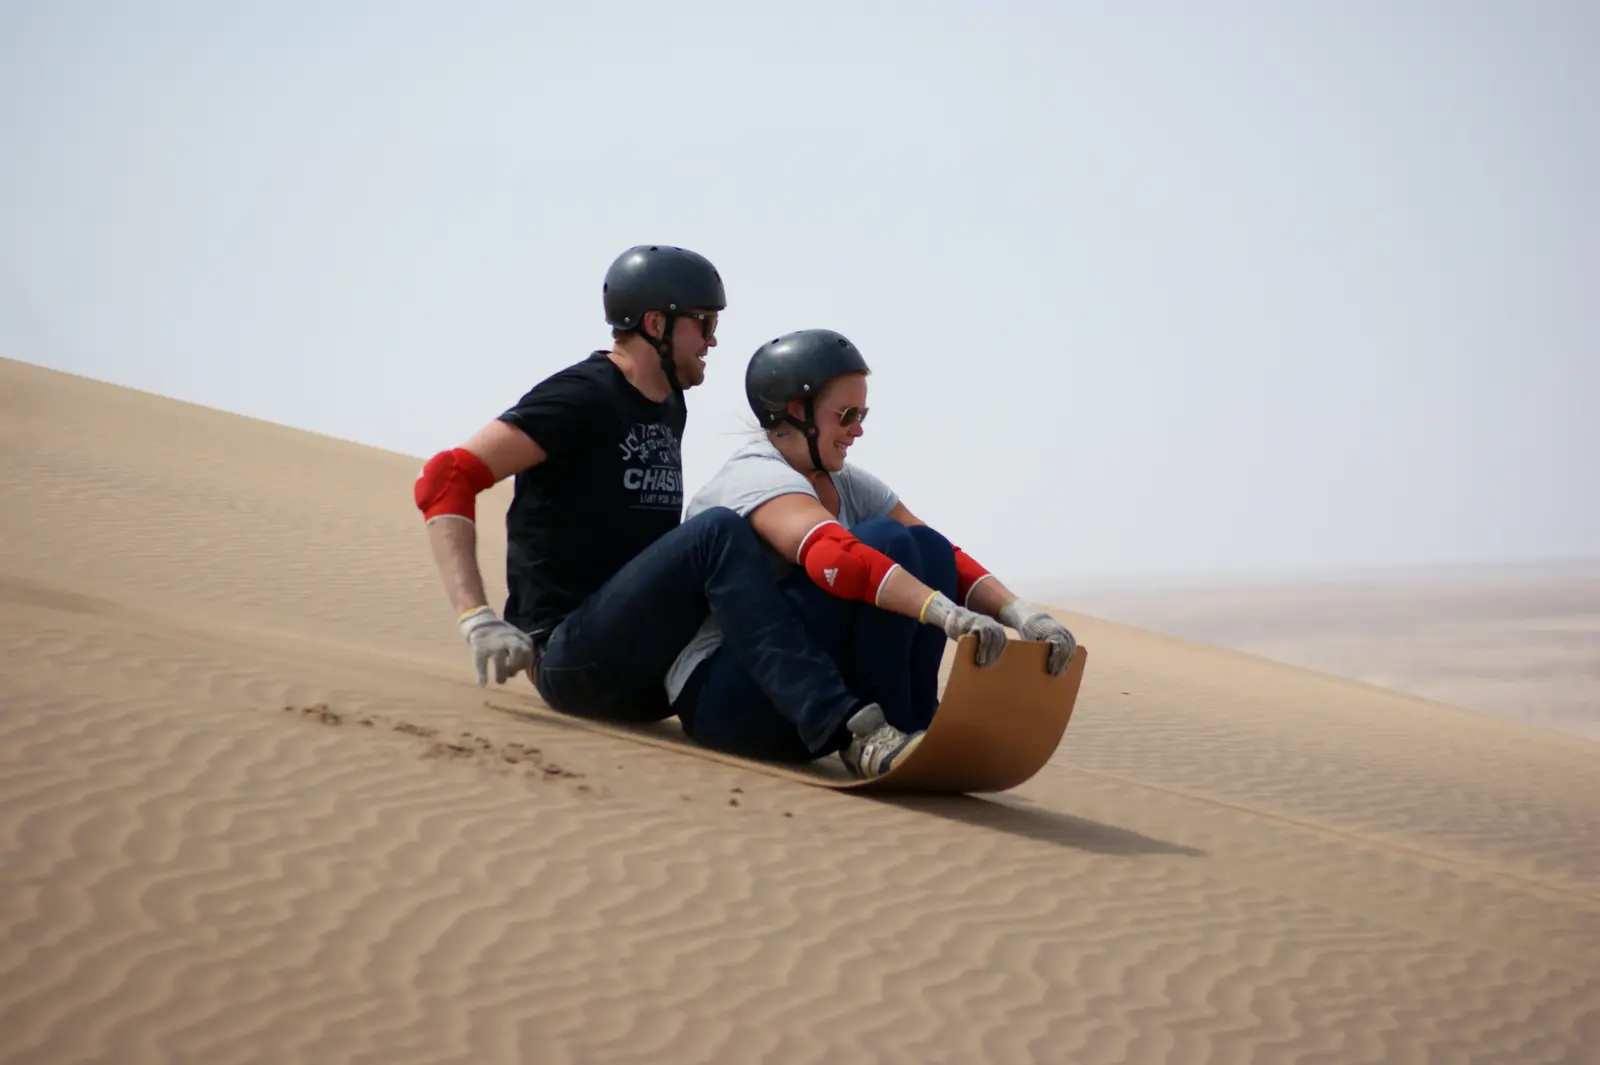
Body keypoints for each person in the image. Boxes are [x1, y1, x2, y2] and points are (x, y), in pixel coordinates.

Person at [412, 246, 908, 777]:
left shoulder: (670, 402)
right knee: (716, 532)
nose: (714, 340)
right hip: (571, 658)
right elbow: (447, 477)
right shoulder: (582, 396)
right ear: (656, 323)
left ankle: (895, 722)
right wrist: (476, 619)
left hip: (652, 670)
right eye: (705, 323)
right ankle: (848, 728)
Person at [664, 328, 1078, 773]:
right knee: (886, 543)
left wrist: (1019, 614)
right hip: (723, 698)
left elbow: (944, 555)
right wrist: (947, 615)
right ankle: (889, 728)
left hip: (797, 703)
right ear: (796, 411)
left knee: (927, 547)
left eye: (863, 414)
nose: (858, 430)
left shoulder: (843, 481)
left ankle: (915, 721)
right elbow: (835, 558)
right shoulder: (756, 476)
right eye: (846, 414)